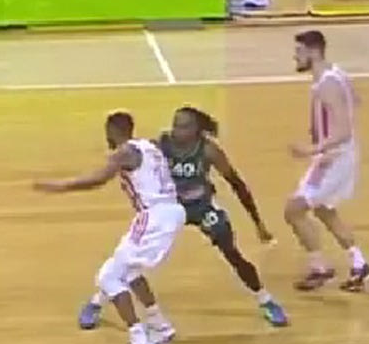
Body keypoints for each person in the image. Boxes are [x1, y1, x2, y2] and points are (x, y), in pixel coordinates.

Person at [76, 106, 289, 331]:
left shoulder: (209, 150)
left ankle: (265, 299)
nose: (177, 130)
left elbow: (237, 184)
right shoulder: (162, 144)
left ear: (197, 129)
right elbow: (137, 157)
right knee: (131, 257)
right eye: (175, 125)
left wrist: (258, 223)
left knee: (231, 251)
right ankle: (98, 301)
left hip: (201, 207)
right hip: (171, 207)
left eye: (184, 126)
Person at [34, 111, 186, 344]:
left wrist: (59, 186)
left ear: (114, 131)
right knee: (131, 272)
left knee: (108, 277)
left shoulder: (124, 152)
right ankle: (160, 326)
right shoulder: (149, 146)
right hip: (170, 212)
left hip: (154, 218)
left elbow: (97, 179)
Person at [284, 30, 369, 292]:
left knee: (293, 210)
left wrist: (312, 148)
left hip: (334, 157)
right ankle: (359, 264)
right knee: (324, 209)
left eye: (299, 51)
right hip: (341, 154)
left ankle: (319, 268)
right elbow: (355, 100)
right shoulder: (336, 74)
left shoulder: (327, 85)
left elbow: (343, 131)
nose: (295, 57)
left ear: (313, 51)